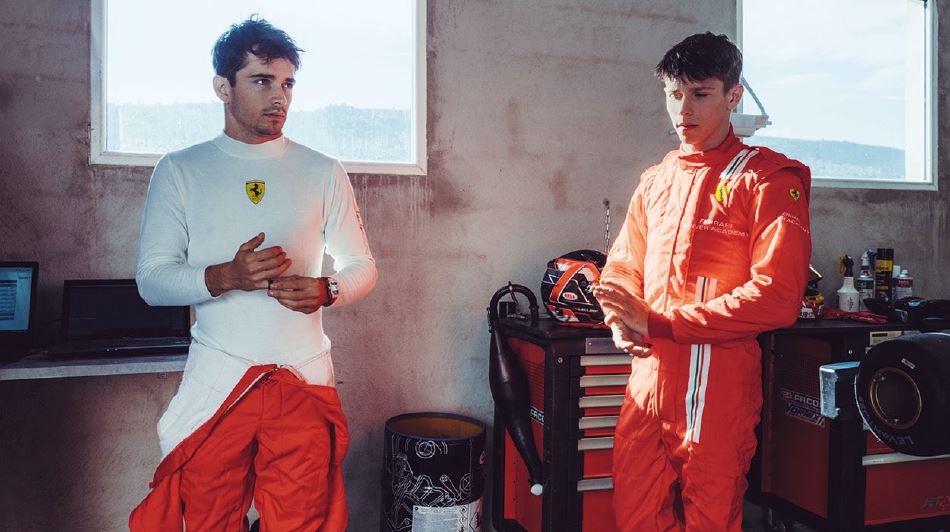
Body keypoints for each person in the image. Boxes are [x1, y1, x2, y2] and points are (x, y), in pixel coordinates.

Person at [128, 17, 377, 531]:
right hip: (219, 379)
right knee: (208, 519)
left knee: (302, 521)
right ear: (223, 87)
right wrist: (226, 276)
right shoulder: (180, 169)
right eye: (262, 80)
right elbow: (152, 281)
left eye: (288, 83)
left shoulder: (322, 170)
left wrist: (327, 289)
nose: (279, 96)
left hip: (302, 377)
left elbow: (362, 266)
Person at [592, 32, 811, 531]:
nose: (683, 109)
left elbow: (777, 297)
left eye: (700, 93)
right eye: (674, 94)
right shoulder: (656, 180)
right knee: (635, 517)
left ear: (733, 96)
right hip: (649, 379)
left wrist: (660, 322)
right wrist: (620, 320)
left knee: (710, 520)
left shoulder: (768, 180)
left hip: (718, 387)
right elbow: (622, 267)